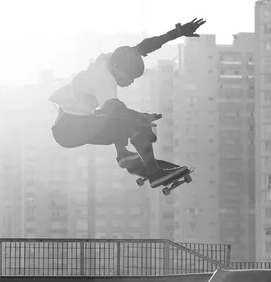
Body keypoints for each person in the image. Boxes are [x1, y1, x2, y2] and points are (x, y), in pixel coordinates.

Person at [49, 18, 206, 188]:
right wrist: (140, 118)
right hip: (71, 129)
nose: (130, 82)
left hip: (71, 123)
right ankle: (155, 173)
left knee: (119, 120)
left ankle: (124, 155)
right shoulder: (104, 81)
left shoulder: (111, 59)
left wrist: (176, 33)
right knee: (134, 124)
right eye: (129, 77)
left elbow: (144, 47)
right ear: (117, 70)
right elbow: (114, 109)